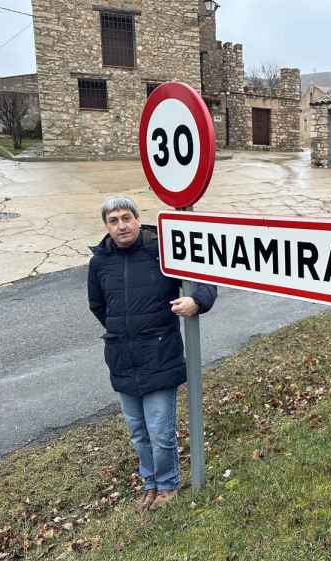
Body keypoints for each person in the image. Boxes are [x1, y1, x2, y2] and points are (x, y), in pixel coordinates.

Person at [88, 196, 217, 512]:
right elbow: (98, 305)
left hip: (160, 354)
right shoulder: (100, 262)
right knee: (138, 432)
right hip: (122, 358)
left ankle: (168, 485)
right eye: (114, 220)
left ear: (137, 218)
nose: (122, 226)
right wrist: (123, 330)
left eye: (126, 218)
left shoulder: (162, 249)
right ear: (106, 226)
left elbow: (205, 280)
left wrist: (196, 302)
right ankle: (150, 484)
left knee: (160, 432)